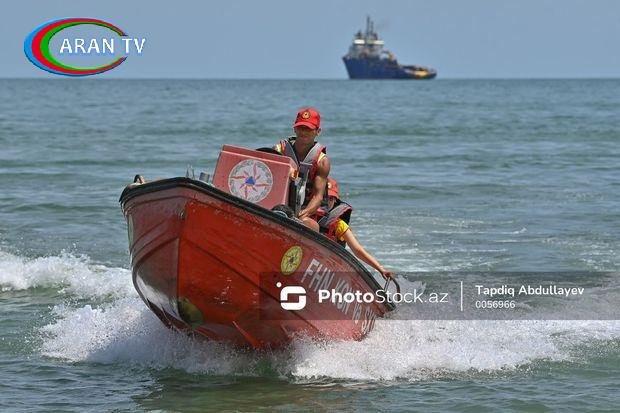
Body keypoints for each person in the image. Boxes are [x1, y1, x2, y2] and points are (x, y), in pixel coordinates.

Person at [319, 177, 394, 280]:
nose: (327, 202)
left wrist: (380, 269)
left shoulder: (339, 225)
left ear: (335, 200)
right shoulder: (307, 216)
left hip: (329, 266)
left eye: (331, 199)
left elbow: (357, 250)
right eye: (325, 197)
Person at [274, 108, 330, 222]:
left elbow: (318, 197)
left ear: (318, 131)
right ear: (294, 129)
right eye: (300, 128)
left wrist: (302, 214)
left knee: (306, 222)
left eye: (308, 129)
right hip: (280, 205)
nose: (303, 132)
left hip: (307, 210)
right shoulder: (279, 150)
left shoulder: (322, 162)